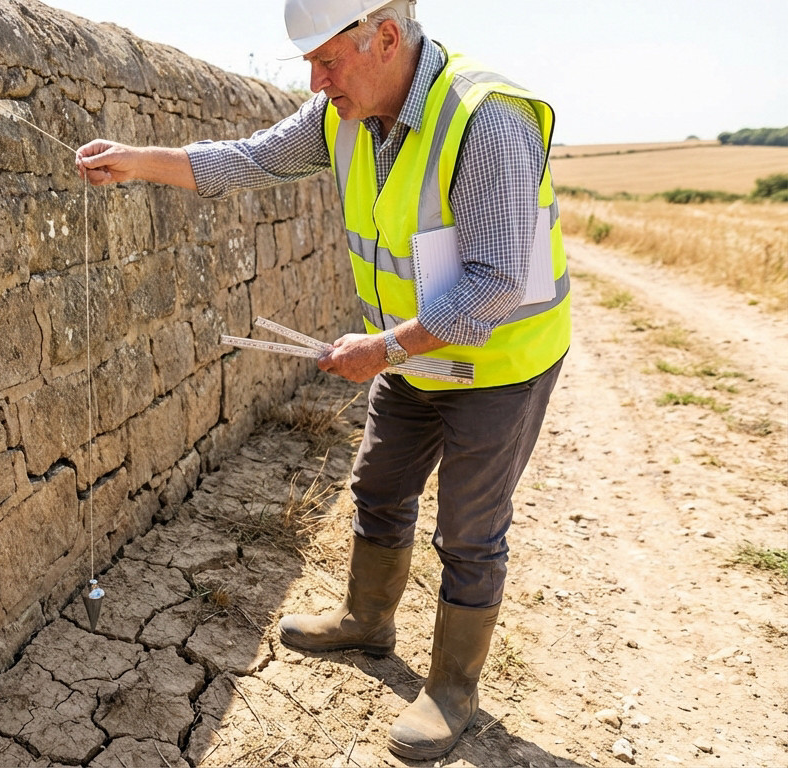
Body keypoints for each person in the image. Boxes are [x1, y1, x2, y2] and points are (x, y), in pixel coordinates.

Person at [75, 0, 570, 760]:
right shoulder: (341, 112)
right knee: (378, 487)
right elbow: (245, 158)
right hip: (412, 352)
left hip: (499, 363)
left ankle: (451, 690)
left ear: (387, 38)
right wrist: (135, 159)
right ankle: (368, 623)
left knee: (469, 533)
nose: (315, 80)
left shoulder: (486, 117)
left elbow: (497, 280)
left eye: (328, 60)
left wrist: (381, 348)